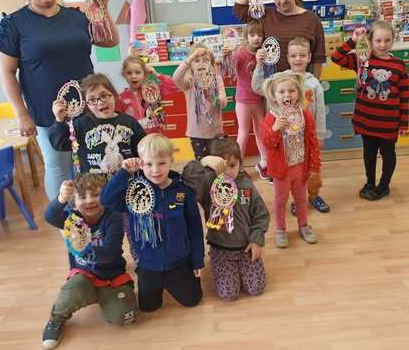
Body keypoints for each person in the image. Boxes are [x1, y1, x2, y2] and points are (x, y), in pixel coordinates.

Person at [0, 0, 119, 200]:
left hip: (89, 107)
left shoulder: (76, 17)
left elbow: (110, 40)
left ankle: (95, 214)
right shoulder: (14, 24)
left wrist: (103, 9)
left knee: (94, 161)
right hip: (48, 112)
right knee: (59, 167)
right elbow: (5, 72)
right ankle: (64, 218)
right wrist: (21, 114)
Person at [100, 133, 205, 312]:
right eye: (149, 164)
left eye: (162, 163)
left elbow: (195, 228)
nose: (155, 170)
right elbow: (106, 199)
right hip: (149, 264)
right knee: (149, 307)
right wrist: (124, 173)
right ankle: (148, 278)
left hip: (179, 261)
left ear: (171, 161)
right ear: (140, 164)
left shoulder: (183, 191)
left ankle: (181, 279)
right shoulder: (133, 190)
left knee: (193, 300)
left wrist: (197, 260)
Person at [42, 173, 137, 350]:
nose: (89, 200)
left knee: (126, 317)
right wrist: (61, 198)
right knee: (70, 293)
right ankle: (56, 318)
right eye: (82, 197)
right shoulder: (72, 218)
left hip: (112, 277)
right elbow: (50, 216)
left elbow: (109, 254)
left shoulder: (114, 218)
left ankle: (102, 297)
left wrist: (83, 248)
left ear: (106, 196)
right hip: (84, 275)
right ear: (74, 201)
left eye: (95, 194)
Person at [182, 136, 269, 301]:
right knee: (229, 294)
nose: (228, 171)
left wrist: (257, 240)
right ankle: (218, 263)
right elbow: (187, 176)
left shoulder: (246, 185)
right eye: (222, 166)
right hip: (221, 249)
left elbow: (261, 214)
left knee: (257, 288)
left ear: (240, 163)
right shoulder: (208, 183)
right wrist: (203, 161)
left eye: (232, 165)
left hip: (246, 248)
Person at [330, 21, 409, 200]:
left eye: (387, 40)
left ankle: (384, 185)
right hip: (366, 121)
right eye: (378, 40)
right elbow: (336, 57)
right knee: (369, 154)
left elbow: (404, 95)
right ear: (370, 40)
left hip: (389, 124)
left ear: (393, 40)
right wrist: (353, 41)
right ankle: (370, 183)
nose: (382, 45)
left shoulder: (399, 65)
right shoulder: (362, 60)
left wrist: (403, 123)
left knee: (388, 154)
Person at [253, 36, 329, 213]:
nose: (298, 59)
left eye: (302, 55)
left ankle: (314, 195)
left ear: (309, 57)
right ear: (287, 58)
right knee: (294, 173)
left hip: (308, 138)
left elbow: (320, 111)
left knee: (313, 171)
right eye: (293, 56)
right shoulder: (280, 79)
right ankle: (297, 199)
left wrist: (320, 135)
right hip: (288, 140)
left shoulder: (314, 84)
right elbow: (257, 87)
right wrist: (259, 65)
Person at [262, 71, 321, 248]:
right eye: (281, 92)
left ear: (298, 93)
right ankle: (280, 229)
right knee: (280, 201)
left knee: (301, 198)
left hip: (301, 167)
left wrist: (314, 165)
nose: (286, 95)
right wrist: (275, 128)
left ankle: (304, 225)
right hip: (282, 170)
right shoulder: (271, 117)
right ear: (274, 95)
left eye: (291, 91)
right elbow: (267, 143)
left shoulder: (305, 115)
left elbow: (313, 140)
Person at [49, 73, 145, 176]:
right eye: (92, 100)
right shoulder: (80, 125)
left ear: (114, 95)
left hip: (125, 182)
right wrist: (59, 120)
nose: (100, 102)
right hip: (92, 184)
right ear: (86, 104)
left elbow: (144, 151)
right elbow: (60, 144)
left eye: (104, 96)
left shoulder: (129, 122)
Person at [233, 0, 326, 77]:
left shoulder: (311, 19)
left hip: (299, 82)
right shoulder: (265, 16)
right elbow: (239, 9)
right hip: (271, 83)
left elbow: (318, 57)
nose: (282, 1)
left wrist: (315, 82)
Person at [225, 20, 268, 179]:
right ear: (246, 37)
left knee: (261, 132)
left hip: (258, 100)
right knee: (243, 133)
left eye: (260, 35)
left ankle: (265, 163)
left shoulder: (264, 52)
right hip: (243, 100)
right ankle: (238, 167)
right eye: (252, 35)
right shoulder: (240, 53)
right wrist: (227, 56)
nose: (256, 38)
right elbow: (228, 70)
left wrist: (261, 60)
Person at [172, 44, 228, 160]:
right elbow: (176, 77)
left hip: (215, 131)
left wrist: (213, 99)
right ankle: (205, 175)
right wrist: (190, 58)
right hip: (196, 133)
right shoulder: (188, 81)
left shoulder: (217, 79)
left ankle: (218, 175)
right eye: (196, 60)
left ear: (212, 63)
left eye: (206, 60)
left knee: (217, 161)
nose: (201, 63)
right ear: (190, 65)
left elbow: (223, 103)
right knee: (201, 162)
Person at [115, 55, 177, 133]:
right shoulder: (121, 98)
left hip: (154, 135)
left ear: (145, 74)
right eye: (129, 73)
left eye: (138, 72)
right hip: (134, 136)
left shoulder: (153, 91)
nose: (133, 76)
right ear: (124, 75)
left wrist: (157, 75)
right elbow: (119, 120)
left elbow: (173, 86)